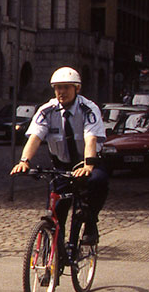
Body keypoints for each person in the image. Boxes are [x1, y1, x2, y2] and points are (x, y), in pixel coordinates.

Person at [10, 67, 108, 244]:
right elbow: (35, 137)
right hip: (61, 166)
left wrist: (88, 166)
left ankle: (91, 223)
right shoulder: (47, 111)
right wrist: (24, 161)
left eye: (65, 87)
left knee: (98, 182)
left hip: (87, 163)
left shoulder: (88, 109)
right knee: (56, 215)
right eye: (57, 88)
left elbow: (91, 138)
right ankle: (53, 259)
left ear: (77, 88)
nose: (61, 92)